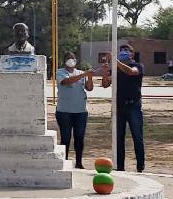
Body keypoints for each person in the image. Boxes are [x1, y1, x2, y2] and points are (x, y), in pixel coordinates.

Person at [101, 43, 145, 172]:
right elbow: (105, 84)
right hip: (119, 106)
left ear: (132, 54)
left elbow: (131, 72)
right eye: (121, 51)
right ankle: (120, 167)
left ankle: (140, 166)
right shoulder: (116, 68)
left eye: (127, 50)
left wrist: (115, 61)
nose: (124, 52)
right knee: (119, 138)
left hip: (134, 106)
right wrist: (105, 71)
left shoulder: (138, 66)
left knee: (137, 137)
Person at [55, 51, 94, 169]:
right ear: (64, 60)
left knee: (79, 138)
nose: (71, 60)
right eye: (68, 58)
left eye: (73, 58)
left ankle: (79, 162)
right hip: (64, 111)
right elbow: (66, 81)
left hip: (81, 111)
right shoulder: (60, 72)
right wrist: (84, 75)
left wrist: (90, 77)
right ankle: (64, 161)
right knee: (65, 138)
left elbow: (89, 88)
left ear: (76, 60)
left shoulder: (81, 73)